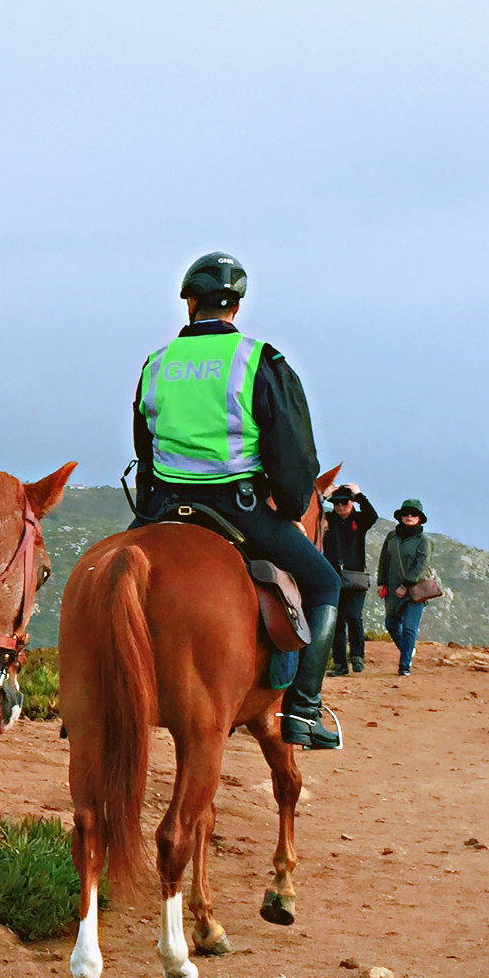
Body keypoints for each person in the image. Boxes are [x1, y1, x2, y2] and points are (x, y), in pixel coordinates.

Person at [131, 253, 343, 748]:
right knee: (326, 584)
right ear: (236, 307)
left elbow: (145, 446)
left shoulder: (156, 363)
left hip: (162, 507)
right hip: (237, 510)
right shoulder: (260, 360)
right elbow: (292, 457)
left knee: (104, 576)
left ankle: (82, 707)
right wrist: (290, 508)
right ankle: (304, 711)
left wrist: (149, 506)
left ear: (189, 303)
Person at [320, 485, 378, 675]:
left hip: (355, 578)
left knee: (354, 616)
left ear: (351, 502)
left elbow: (372, 515)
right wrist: (323, 496)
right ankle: (340, 664)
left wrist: (360, 494)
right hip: (333, 577)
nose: (340, 506)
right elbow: (310, 513)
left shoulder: (359, 520)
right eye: (336, 503)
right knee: (336, 622)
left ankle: (357, 656)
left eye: (344, 502)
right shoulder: (328, 520)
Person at [376, 500, 432, 675]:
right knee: (391, 623)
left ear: (419, 519)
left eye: (413, 514)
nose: (409, 517)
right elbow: (384, 560)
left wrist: (405, 585)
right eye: (406, 513)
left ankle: (404, 665)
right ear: (400, 516)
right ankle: (408, 650)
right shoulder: (392, 536)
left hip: (414, 592)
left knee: (409, 627)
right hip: (392, 589)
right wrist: (381, 582)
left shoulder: (424, 540)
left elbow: (421, 565)